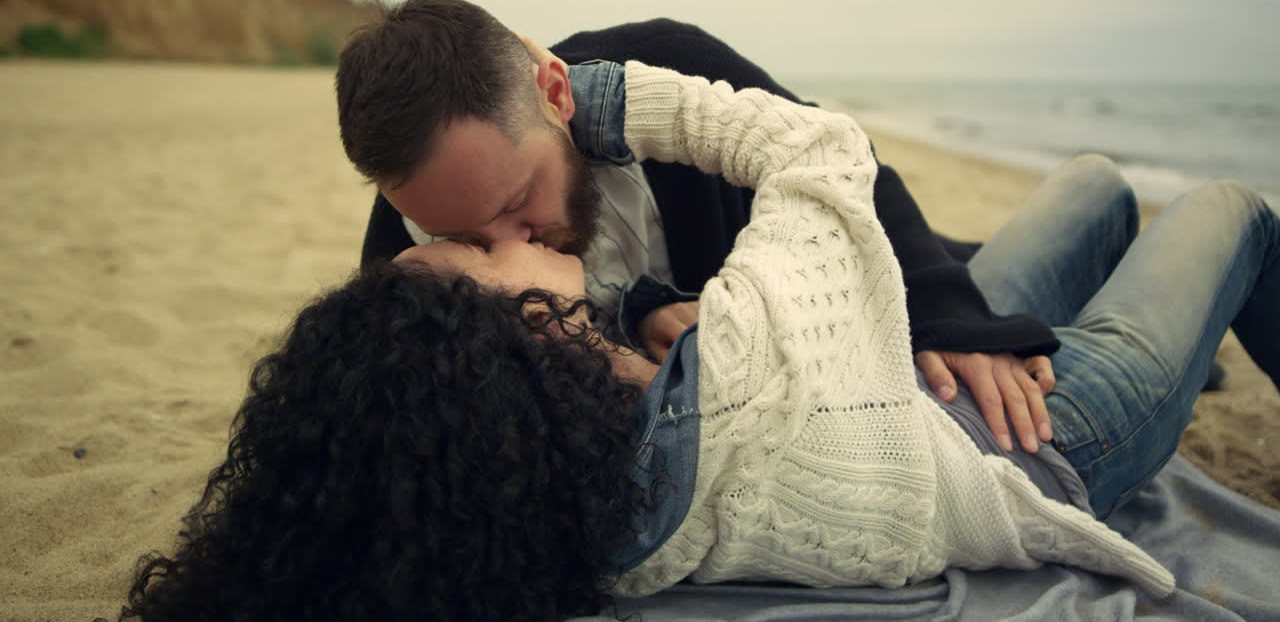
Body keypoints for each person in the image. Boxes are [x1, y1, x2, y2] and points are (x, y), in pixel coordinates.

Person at [112, 62, 1279, 621]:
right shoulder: (734, 381)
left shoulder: (552, 485)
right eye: (475, 248)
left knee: (1092, 185)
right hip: (1031, 442)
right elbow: (824, 149)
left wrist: (629, 314)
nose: (505, 236)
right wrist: (603, 100)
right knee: (1230, 209)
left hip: (896, 376)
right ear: (524, 340)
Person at [338, 0, 1062, 455]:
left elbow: (841, 167)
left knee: (1079, 217)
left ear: (555, 95)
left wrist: (950, 320)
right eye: (464, 241)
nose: (511, 249)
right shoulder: (412, 234)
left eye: (517, 202)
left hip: (900, 274)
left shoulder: (669, 65)